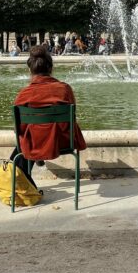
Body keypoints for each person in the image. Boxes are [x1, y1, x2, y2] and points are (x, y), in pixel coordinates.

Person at [11, 46, 87, 188]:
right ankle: (33, 164)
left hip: (35, 143)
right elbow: (72, 118)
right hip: (63, 142)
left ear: (30, 70)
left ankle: (21, 180)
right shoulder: (65, 89)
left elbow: (18, 129)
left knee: (28, 137)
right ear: (51, 68)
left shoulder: (24, 94)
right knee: (40, 131)